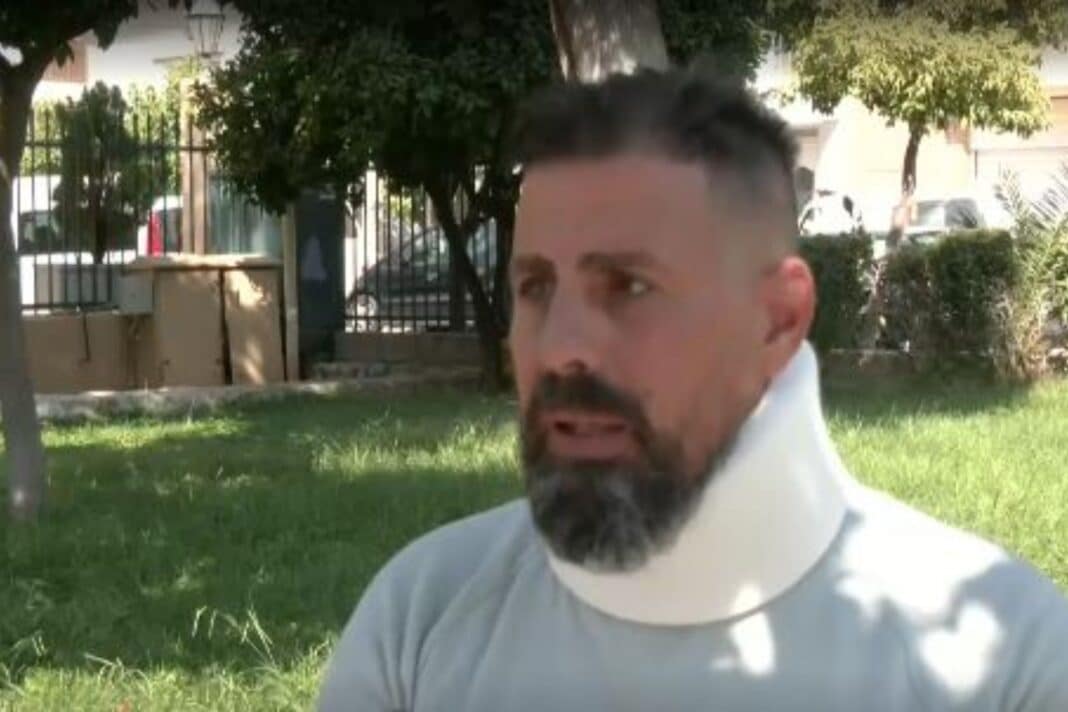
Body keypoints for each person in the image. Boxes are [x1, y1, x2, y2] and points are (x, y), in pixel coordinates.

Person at [317, 68, 1068, 711]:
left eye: (630, 285)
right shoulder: (418, 619)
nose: (560, 347)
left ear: (778, 319)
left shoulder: (1007, 660)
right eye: (536, 286)